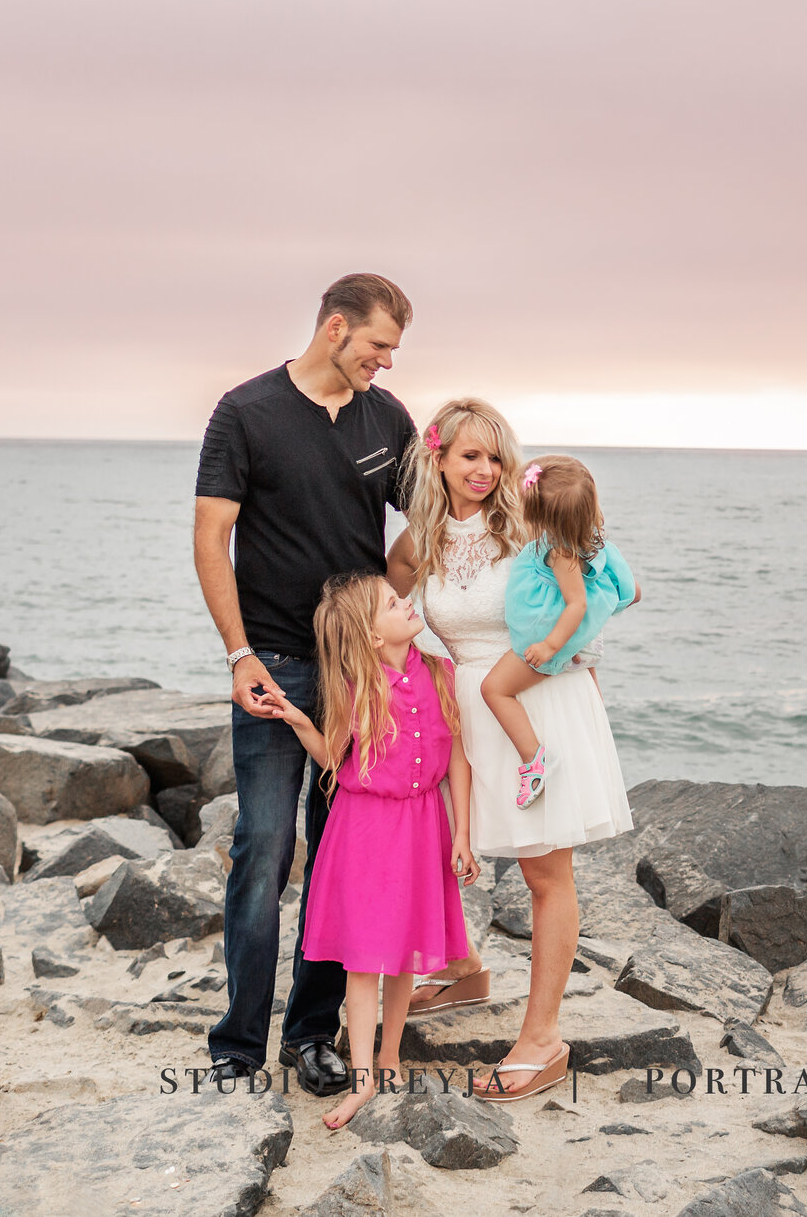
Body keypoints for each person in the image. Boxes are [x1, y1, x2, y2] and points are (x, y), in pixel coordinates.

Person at [195, 272, 416, 1096]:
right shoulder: (245, 411)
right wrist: (237, 653)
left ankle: (312, 1034)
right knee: (264, 848)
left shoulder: (386, 421)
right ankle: (238, 1044)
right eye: (377, 346)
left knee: (342, 856)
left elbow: (430, 518)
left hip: (358, 673)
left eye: (393, 350)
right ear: (334, 328)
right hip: (275, 666)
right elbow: (211, 536)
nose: (385, 364)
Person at [387, 398, 634, 1103]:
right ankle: (462, 965)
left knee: (543, 874)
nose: (485, 470)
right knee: (441, 843)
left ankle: (542, 1038)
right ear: (438, 457)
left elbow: (611, 581)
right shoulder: (419, 539)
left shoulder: (530, 522)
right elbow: (380, 609)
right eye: (470, 455)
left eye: (496, 457)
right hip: (464, 702)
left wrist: (575, 645)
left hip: (536, 701)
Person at [273, 573, 478, 1131]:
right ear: (368, 633)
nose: (407, 603)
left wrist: (462, 832)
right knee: (365, 960)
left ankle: (390, 1058)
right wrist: (297, 719)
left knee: (405, 947)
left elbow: (458, 758)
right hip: (364, 831)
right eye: (393, 602)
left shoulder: (442, 673)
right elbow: (335, 761)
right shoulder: (351, 686)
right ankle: (363, 1078)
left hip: (423, 828)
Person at [479, 455, 640, 806]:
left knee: (494, 689)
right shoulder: (588, 539)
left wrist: (552, 645)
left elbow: (577, 604)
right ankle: (593, 749)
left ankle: (535, 759)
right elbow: (632, 590)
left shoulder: (561, 552)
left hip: (549, 642)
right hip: (570, 640)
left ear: (543, 517)